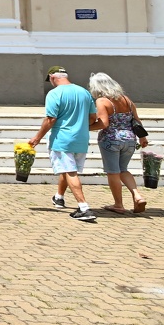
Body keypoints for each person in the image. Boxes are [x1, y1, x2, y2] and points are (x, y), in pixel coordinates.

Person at [28, 66, 98, 222]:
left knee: (70, 172)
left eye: (50, 80)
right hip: (81, 139)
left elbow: (50, 119)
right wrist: (79, 126)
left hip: (62, 139)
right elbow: (93, 117)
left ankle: (84, 208)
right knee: (68, 170)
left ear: (53, 77)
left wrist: (37, 137)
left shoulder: (54, 94)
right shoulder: (84, 92)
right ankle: (59, 197)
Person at [88, 72, 149, 213]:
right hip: (130, 139)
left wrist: (85, 128)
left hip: (110, 140)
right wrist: (143, 137)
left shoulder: (102, 101)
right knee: (123, 169)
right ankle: (137, 196)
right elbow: (137, 120)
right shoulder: (126, 99)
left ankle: (118, 204)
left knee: (113, 172)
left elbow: (103, 123)